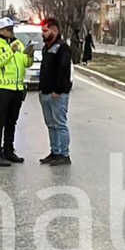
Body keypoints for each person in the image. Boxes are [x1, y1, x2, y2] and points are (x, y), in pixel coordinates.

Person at [0, 17, 30, 166]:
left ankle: (9, 151)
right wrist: (10, 52)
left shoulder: (18, 43)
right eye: (8, 29)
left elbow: (25, 63)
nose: (11, 32)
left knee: (12, 122)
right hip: (2, 89)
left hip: (17, 89)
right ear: (1, 30)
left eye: (12, 29)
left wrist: (29, 55)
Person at [37, 17, 73, 166]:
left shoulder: (62, 47)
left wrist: (58, 90)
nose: (43, 34)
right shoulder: (46, 47)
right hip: (45, 92)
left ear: (55, 30)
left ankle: (64, 155)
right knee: (51, 125)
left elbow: (64, 70)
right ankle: (55, 152)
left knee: (60, 124)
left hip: (57, 94)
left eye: (45, 31)